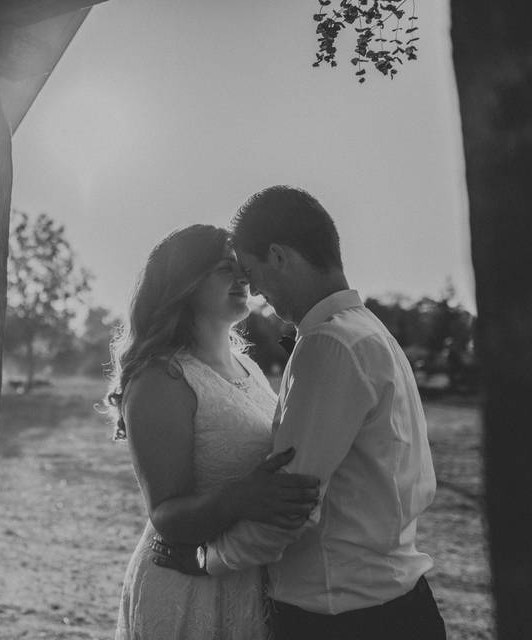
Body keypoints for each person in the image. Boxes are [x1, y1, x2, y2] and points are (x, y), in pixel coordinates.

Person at [155, 186, 446, 639]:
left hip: (343, 615)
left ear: (279, 256)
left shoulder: (329, 345)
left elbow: (292, 506)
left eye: (253, 273)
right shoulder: (368, 331)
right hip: (392, 599)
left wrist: (206, 559)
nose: (256, 293)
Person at [107, 224, 320, 639]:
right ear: (183, 283)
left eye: (242, 267)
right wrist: (240, 498)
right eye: (225, 268)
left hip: (250, 576)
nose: (243, 277)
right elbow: (165, 515)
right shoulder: (161, 377)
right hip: (187, 587)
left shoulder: (250, 368)